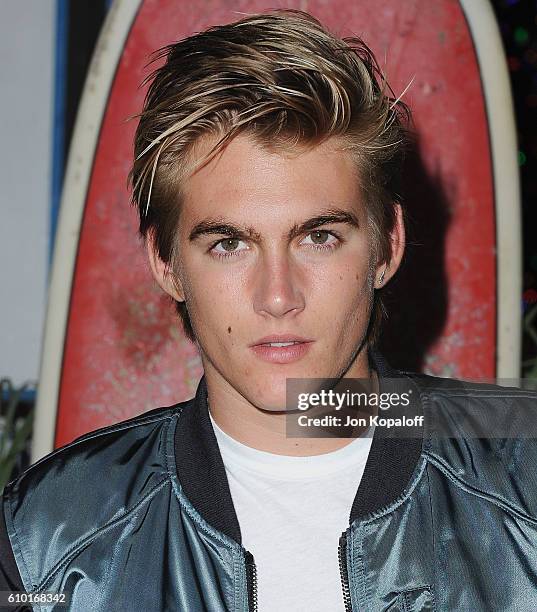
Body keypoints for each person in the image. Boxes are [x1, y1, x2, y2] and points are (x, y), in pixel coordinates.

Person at [2, 8, 537, 612]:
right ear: (165, 263)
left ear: (388, 244)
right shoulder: (47, 537)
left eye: (318, 237)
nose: (278, 296)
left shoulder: (525, 481)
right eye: (229, 244)